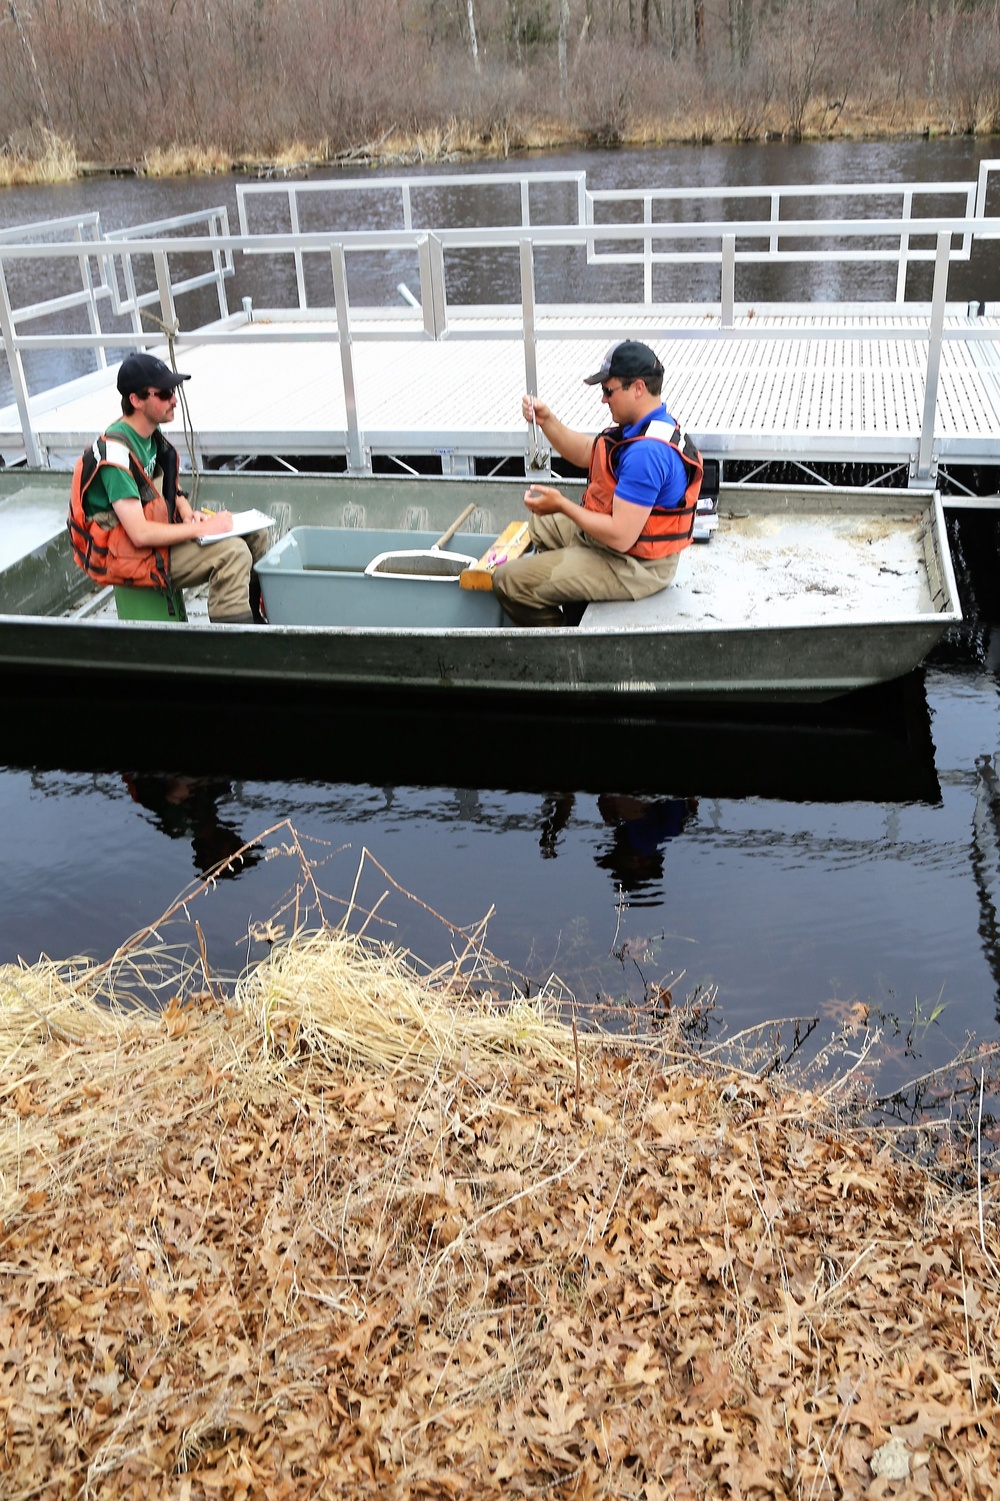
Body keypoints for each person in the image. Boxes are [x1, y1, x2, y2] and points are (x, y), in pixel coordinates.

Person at [492, 339, 704, 627]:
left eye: (608, 390)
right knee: (539, 526)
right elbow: (585, 452)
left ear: (638, 388)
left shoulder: (647, 454)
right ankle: (572, 588)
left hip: (635, 565)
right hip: (622, 545)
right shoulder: (649, 424)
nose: (603, 399)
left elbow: (620, 536)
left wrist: (563, 505)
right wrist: (547, 421)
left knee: (508, 581)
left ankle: (564, 645)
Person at [68, 352, 268, 623]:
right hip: (128, 556)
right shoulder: (115, 457)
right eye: (163, 393)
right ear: (136, 400)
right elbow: (139, 534)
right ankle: (234, 649)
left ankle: (254, 620)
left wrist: (185, 510)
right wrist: (205, 528)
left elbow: (168, 485)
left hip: (147, 539)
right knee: (232, 554)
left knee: (257, 535)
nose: (174, 399)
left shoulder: (149, 433)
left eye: (172, 390)